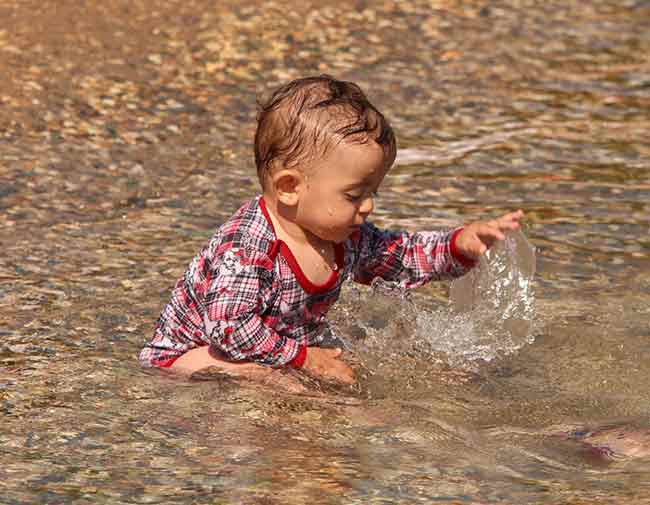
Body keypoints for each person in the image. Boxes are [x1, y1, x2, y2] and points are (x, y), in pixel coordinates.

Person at [139, 75, 523, 385]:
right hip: (187, 355)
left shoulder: (345, 235)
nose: (369, 205)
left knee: (358, 373)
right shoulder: (248, 248)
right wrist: (304, 359)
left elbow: (401, 258)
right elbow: (228, 328)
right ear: (290, 187)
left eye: (373, 191)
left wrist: (459, 244)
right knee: (278, 385)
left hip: (274, 344)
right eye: (355, 194)